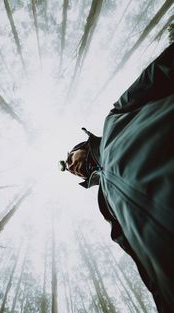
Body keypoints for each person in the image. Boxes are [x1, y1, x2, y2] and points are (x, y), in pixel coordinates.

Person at [59, 43, 174, 313]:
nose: (69, 167)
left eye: (67, 159)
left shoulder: (116, 120)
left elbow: (158, 73)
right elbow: (145, 264)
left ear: (80, 147)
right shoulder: (107, 205)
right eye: (67, 170)